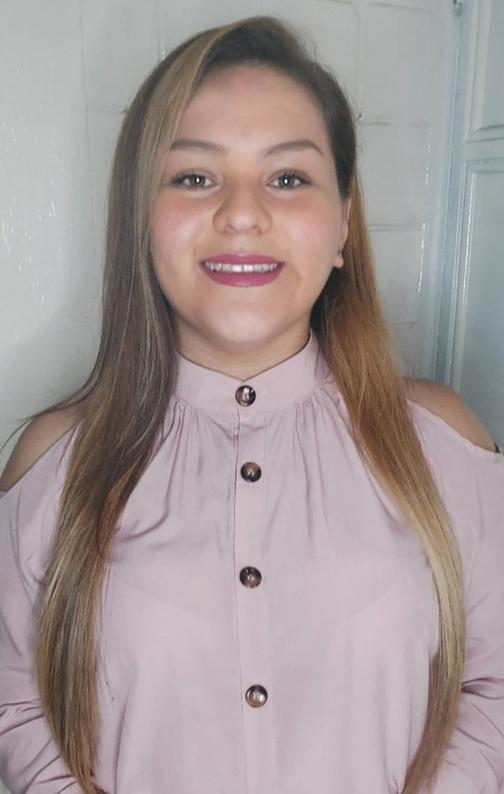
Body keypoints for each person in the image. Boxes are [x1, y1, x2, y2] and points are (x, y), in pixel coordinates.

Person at [0, 14, 502, 794]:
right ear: (141, 218)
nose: (242, 213)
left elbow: (492, 689)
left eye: (289, 177)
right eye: (195, 177)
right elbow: (17, 702)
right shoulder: (53, 463)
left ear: (343, 221)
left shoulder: (444, 445)